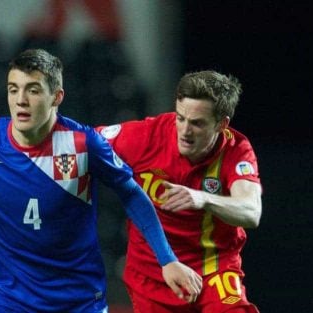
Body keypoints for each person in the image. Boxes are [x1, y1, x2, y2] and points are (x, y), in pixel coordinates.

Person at [0, 49, 202, 312]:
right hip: (6, 298)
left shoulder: (83, 144)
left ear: (56, 96)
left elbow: (132, 194)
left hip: (77, 299)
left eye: (33, 90)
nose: (21, 100)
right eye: (13, 89)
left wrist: (168, 260)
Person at [98, 70, 262, 312]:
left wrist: (202, 198)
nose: (184, 131)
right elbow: (82, 142)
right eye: (180, 118)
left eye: (197, 123)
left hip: (212, 271)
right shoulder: (146, 136)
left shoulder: (236, 150)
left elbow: (251, 212)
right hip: (153, 275)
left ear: (222, 124)